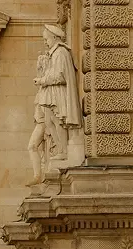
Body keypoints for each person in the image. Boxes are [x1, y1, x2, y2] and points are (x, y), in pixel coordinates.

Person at [27, 24, 83, 185]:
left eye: (46, 39)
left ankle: (63, 150)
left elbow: (60, 76)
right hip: (52, 92)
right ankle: (60, 149)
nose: (45, 42)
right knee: (51, 122)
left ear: (55, 38)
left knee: (57, 121)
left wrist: (42, 80)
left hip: (57, 92)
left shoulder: (60, 53)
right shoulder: (55, 54)